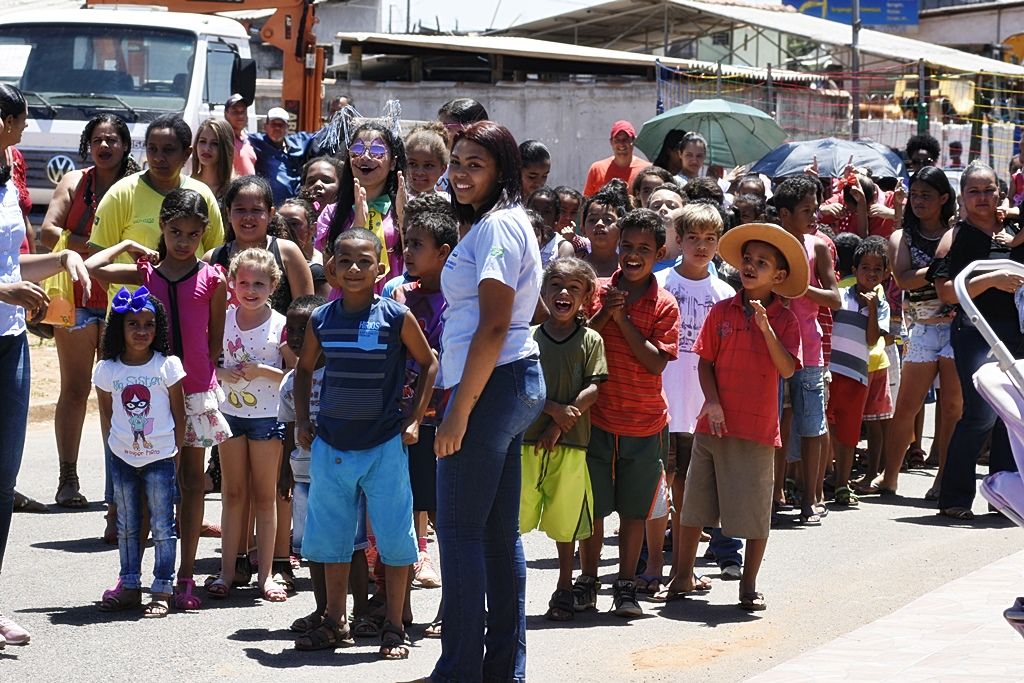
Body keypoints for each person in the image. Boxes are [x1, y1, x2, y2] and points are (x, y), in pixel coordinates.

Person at [428, 120, 544, 681]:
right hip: (511, 381)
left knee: (459, 533)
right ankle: (502, 670)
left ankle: (458, 671)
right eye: (457, 162)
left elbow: (494, 325)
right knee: (497, 536)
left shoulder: (498, 228)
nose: (461, 173)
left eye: (476, 163)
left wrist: (458, 410)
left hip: (491, 384)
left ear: (500, 170)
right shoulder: (506, 222)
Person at [292, 228, 437, 658]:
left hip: (384, 445)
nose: (354, 269)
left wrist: (413, 421)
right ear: (332, 268)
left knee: (394, 538)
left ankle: (394, 625)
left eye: (364, 261)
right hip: (332, 445)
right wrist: (303, 418)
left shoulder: (394, 316)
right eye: (345, 261)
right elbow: (304, 370)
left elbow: (428, 363)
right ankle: (336, 621)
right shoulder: (322, 319)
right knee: (333, 539)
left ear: (380, 267)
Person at [85, 188, 230, 611]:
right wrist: (128, 245)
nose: (183, 240)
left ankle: (185, 576)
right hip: (147, 390)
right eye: (174, 231)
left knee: (190, 482)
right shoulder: (145, 272)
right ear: (162, 229)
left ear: (204, 233)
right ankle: (135, 578)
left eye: (192, 233)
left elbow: (215, 339)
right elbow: (95, 268)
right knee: (148, 485)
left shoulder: (212, 278)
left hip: (195, 390)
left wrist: (201, 378)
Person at [668, 221, 804, 611]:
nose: (750, 266)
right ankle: (681, 576)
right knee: (694, 505)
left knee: (756, 511)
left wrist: (765, 327)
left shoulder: (785, 320)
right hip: (713, 424)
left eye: (761, 262)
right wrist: (710, 401)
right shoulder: (722, 309)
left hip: (758, 429)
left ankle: (749, 584)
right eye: (747, 259)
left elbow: (788, 368)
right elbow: (705, 361)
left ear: (778, 276)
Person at [0, 82, 91, 646]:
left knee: (2, 481)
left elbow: (14, 264)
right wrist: (2, 289)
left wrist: (62, 259)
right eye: (19, 122)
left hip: (9, 346)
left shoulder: (8, 185)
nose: (24, 132)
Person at [578, 208, 680, 618]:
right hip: (598, 419)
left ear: (658, 253)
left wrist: (622, 320)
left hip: (644, 423)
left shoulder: (664, 304)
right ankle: (587, 580)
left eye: (644, 249)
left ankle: (625, 583)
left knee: (634, 511)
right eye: (627, 246)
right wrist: (607, 312)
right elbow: (582, 340)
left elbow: (656, 363)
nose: (633, 255)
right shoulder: (597, 290)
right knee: (593, 506)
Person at [40, 113, 140, 511]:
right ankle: (68, 479)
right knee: (76, 389)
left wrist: (92, 249)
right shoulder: (73, 182)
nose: (105, 146)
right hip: (75, 301)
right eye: (98, 139)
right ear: (88, 143)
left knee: (116, 392)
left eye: (112, 139)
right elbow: (49, 231)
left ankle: (117, 485)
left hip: (122, 302)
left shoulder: (136, 187)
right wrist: (96, 246)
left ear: (124, 145)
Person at [652, 203, 742, 596]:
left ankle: (683, 568)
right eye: (693, 238)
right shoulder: (659, 283)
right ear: (679, 239)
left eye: (710, 239)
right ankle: (650, 563)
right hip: (658, 404)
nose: (701, 246)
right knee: (656, 486)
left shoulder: (724, 293)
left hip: (700, 408)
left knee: (690, 488)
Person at [933, 162, 1024, 520]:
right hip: (977, 333)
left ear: (1000, 194)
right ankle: (954, 496)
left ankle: (1006, 495)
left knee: (1013, 415)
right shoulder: (955, 237)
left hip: (1016, 333)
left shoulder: (1015, 229)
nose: (983, 198)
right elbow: (945, 291)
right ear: (962, 197)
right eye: (975, 191)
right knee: (982, 414)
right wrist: (991, 280)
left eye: (989, 190)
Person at [520, 257, 607, 622]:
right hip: (526, 442)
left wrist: (560, 423)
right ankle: (508, 589)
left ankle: (564, 587)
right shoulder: (529, 337)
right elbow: (522, 386)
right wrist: (553, 409)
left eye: (574, 287)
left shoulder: (591, 339)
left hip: (571, 445)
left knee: (565, 520)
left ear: (587, 296)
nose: (563, 293)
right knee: (515, 518)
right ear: (542, 291)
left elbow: (594, 388)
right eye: (556, 284)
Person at [93, 288, 186, 618]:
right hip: (122, 458)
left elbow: (179, 414)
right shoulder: (107, 370)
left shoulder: (167, 366)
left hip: (160, 458)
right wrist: (114, 448)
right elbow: (107, 414)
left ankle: (162, 587)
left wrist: (174, 456)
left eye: (149, 324)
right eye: (133, 323)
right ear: (119, 327)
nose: (142, 331)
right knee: (127, 525)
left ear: (158, 328)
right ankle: (130, 584)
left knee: (163, 525)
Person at [872, 168, 962, 497]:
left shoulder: (958, 232)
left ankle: (942, 479)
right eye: (915, 194)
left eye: (927, 195)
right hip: (921, 330)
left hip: (957, 329)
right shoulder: (901, 237)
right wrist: (941, 269)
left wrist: (931, 272)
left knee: (952, 408)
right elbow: (904, 279)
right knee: (906, 407)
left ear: (943, 199)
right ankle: (890, 476)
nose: (919, 201)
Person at [207, 248, 288, 602]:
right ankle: (227, 572)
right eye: (244, 282)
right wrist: (221, 372)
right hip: (230, 416)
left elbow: (293, 374)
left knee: (264, 496)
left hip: (267, 420)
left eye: (259, 283)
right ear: (231, 283)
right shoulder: (222, 319)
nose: (251, 289)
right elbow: (207, 362)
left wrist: (262, 372)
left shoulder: (281, 324)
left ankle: (266, 575)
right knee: (233, 493)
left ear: (273, 285)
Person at [392, 203, 458, 596]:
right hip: (405, 417)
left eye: (418, 244)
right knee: (406, 500)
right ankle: (403, 583)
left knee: (444, 511)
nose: (409, 252)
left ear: (444, 252)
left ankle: (451, 601)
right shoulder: (400, 295)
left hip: (445, 418)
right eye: (406, 244)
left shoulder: (460, 299)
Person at [771, 176, 841, 525]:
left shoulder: (818, 247)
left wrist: (801, 290)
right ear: (784, 214)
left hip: (809, 352)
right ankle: (772, 494)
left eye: (815, 209)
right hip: (772, 351)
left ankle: (811, 497)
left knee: (812, 424)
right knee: (776, 425)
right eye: (806, 211)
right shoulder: (769, 245)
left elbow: (836, 297)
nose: (814, 217)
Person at [276, 294, 328, 633]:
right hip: (304, 475)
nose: (295, 337)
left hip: (338, 473)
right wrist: (284, 474)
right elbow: (290, 428)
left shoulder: (339, 373)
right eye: (290, 329)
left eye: (303, 329)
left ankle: (354, 607)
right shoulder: (289, 381)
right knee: (312, 547)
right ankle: (322, 607)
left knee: (349, 546)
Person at [827, 236, 890, 507]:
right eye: (866, 267)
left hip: (857, 376)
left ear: (885, 274)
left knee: (848, 432)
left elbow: (872, 339)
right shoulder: (840, 297)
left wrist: (873, 309)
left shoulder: (882, 305)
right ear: (855, 270)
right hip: (831, 372)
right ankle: (824, 479)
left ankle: (842, 482)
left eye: (877, 269)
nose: (871, 273)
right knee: (826, 428)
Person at [316, 121, 406, 295]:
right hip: (346, 306)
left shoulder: (405, 209)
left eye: (377, 151)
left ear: (393, 163)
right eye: (357, 150)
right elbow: (332, 278)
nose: (365, 157)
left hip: (392, 306)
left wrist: (404, 219)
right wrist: (357, 226)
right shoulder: (331, 213)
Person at [206, 176, 314, 315]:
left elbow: (306, 310)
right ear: (228, 213)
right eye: (240, 209)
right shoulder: (212, 259)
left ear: (271, 214)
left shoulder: (288, 253)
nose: (248, 216)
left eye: (256, 210)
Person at [249, 106, 313, 206]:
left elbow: (321, 136)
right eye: (273, 124)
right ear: (265, 127)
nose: (277, 128)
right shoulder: (256, 141)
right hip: (272, 206)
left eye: (281, 125)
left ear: (287, 127)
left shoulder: (298, 142)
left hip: (295, 205)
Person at [278, 197, 330, 298]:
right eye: (281, 223)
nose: (285, 228)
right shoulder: (271, 261)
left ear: (312, 229)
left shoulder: (324, 264)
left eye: (294, 224)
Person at [583, 120, 650, 196]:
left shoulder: (646, 169)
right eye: (617, 140)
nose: (621, 144)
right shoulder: (597, 169)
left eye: (626, 139)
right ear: (611, 142)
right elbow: (587, 201)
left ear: (634, 140)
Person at [580, 188, 627, 278]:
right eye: (592, 220)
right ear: (583, 228)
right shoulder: (575, 270)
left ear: (621, 226)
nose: (599, 224)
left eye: (608, 220)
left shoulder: (629, 270)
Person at [527, 187, 574, 265]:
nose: (539, 216)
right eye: (534, 210)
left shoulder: (562, 248)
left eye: (546, 212)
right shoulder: (519, 239)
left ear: (556, 217)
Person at [191, 118, 235, 199]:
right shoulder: (186, 185)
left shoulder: (236, 190)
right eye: (202, 141)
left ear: (227, 148)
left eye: (215, 143)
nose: (206, 148)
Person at [403, 123, 449, 197]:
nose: (419, 172)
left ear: (443, 169)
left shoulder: (448, 204)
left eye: (428, 165)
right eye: (413, 164)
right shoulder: (392, 202)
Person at [224, 93, 257, 177]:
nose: (240, 115)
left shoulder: (248, 139)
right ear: (226, 114)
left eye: (243, 111)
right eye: (235, 112)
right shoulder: (223, 139)